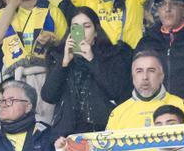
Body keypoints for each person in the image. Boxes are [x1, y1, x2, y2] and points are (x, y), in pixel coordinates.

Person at [0, 0, 66, 121]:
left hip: (44, 79)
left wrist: (54, 42)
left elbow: (66, 47)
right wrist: (11, 5)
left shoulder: (52, 11)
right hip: (13, 80)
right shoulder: (3, 13)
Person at [41, 7, 131, 140]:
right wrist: (64, 64)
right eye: (76, 27)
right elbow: (48, 95)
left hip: (101, 131)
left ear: (96, 32)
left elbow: (115, 91)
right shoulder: (58, 56)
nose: (81, 32)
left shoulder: (113, 55)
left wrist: (91, 60)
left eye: (87, 26)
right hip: (66, 133)